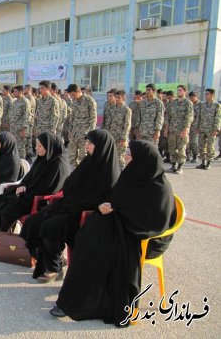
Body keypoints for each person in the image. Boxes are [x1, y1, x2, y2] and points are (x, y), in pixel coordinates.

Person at [50, 140, 177, 327]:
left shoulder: (158, 188)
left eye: (130, 153)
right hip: (123, 226)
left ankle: (74, 302)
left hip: (144, 238)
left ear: (142, 160)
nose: (125, 156)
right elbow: (119, 200)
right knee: (87, 238)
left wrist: (117, 213)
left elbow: (154, 222)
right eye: (126, 151)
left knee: (96, 248)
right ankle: (72, 298)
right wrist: (106, 207)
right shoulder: (132, 176)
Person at [21, 129, 120, 282]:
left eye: (90, 143)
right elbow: (70, 185)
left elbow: (101, 201)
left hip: (85, 215)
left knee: (50, 226)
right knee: (35, 221)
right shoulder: (88, 162)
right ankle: (46, 258)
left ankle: (54, 267)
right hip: (69, 206)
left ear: (101, 146)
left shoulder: (109, 173)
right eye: (86, 142)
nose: (86, 146)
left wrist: (77, 202)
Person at [0, 132, 70, 252]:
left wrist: (27, 190)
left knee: (7, 210)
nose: (36, 148)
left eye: (40, 146)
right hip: (28, 193)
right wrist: (23, 186)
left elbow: (49, 188)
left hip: (39, 200)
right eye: (36, 145)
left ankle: (4, 246)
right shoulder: (43, 159)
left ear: (49, 146)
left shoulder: (59, 164)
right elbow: (28, 178)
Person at [66, 84, 97, 167]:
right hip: (74, 133)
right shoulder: (74, 102)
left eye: (73, 94)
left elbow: (93, 118)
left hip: (85, 134)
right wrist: (70, 131)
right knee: (72, 156)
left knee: (83, 156)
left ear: (79, 91)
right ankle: (75, 174)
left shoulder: (89, 101)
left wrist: (91, 134)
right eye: (70, 95)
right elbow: (72, 118)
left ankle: (84, 175)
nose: (72, 97)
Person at [165, 85, 193, 174]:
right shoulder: (173, 103)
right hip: (172, 129)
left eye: (180, 90)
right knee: (172, 148)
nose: (178, 92)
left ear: (185, 91)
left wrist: (186, 129)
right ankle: (173, 165)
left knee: (181, 149)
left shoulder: (188, 103)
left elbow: (189, 117)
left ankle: (180, 167)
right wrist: (166, 129)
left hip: (182, 130)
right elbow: (168, 116)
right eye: (177, 90)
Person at [195, 88, 221, 170]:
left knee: (210, 146)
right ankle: (203, 162)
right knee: (201, 146)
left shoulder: (217, 105)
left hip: (211, 130)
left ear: (212, 95)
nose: (205, 95)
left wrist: (216, 129)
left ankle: (209, 163)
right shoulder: (202, 105)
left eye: (207, 94)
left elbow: (218, 118)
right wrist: (197, 127)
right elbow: (199, 116)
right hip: (202, 128)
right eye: (205, 94)